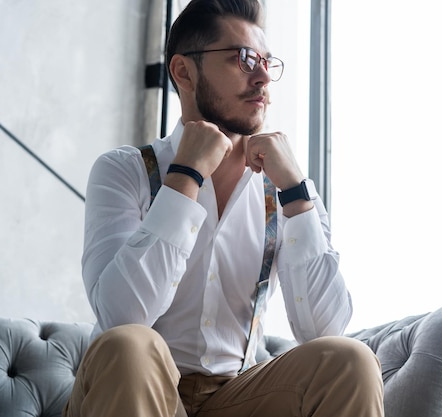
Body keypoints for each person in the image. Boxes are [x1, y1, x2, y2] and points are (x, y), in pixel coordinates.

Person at [64, 0, 384, 416]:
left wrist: (296, 195)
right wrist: (185, 177)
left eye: (268, 62)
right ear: (184, 71)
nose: (263, 76)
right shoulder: (125, 171)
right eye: (244, 58)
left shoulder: (287, 190)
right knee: (129, 345)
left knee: (350, 360)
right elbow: (122, 314)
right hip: (136, 383)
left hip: (239, 396)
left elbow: (324, 329)